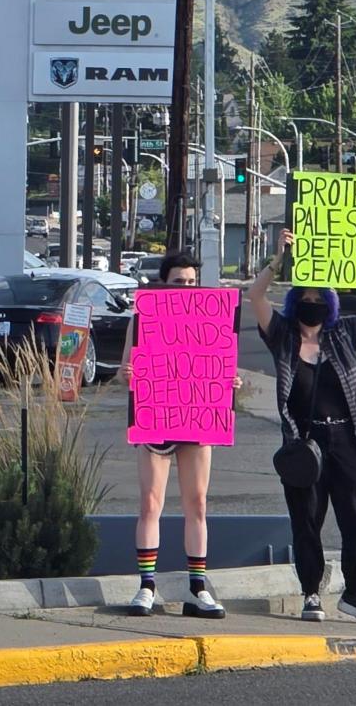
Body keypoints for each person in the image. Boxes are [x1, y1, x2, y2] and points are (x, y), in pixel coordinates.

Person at [247, 229, 356, 626]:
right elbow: (255, 297)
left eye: (319, 299)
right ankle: (311, 593)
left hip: (350, 439)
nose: (312, 305)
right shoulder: (282, 336)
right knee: (306, 519)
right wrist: (278, 261)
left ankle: (354, 591)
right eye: (305, 299)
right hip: (305, 443)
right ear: (294, 303)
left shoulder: (343, 334)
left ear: (331, 305)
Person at [119, 253, 242, 619]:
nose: (186, 288)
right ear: (163, 283)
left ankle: (198, 588)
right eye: (178, 282)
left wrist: (231, 382)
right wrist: (128, 374)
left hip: (198, 414)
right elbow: (126, 368)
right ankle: (146, 586)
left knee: (198, 503)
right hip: (157, 415)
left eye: (191, 282)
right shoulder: (144, 317)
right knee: (150, 503)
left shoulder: (211, 315)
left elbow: (224, 364)